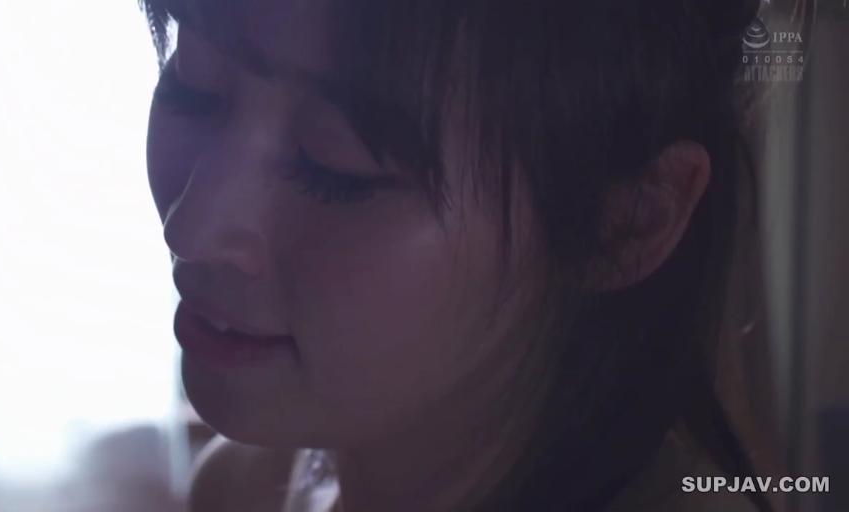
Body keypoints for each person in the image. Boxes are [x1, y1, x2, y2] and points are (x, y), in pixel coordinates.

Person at [142, 0, 775, 510]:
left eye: (336, 166)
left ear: (626, 224)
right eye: (191, 87)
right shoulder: (239, 489)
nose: (190, 229)